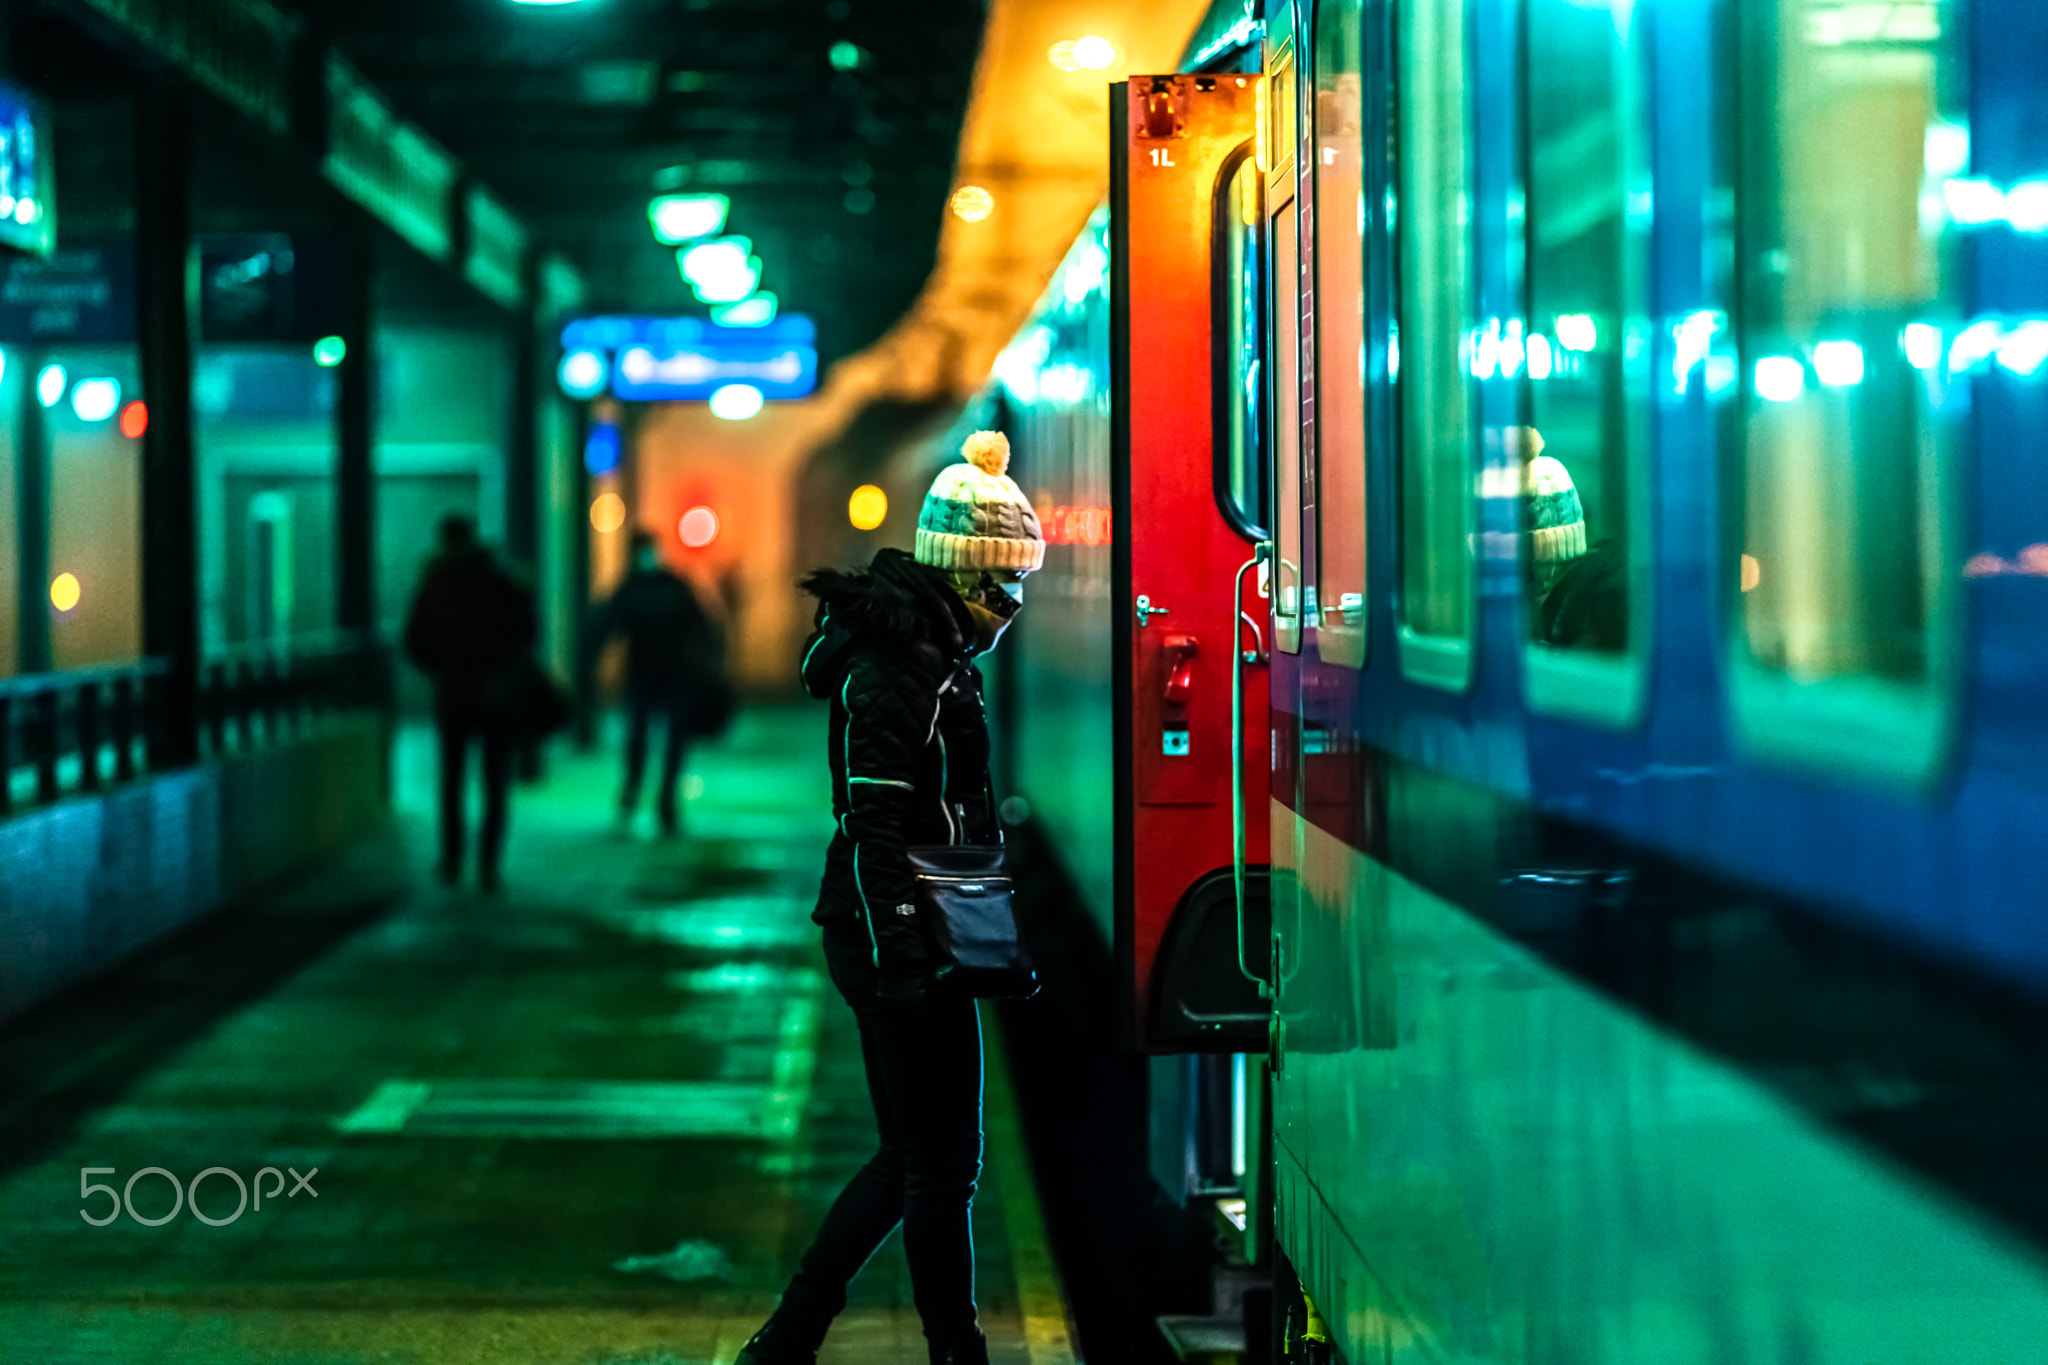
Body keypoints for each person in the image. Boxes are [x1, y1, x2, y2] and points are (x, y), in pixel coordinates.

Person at [740, 431, 1042, 1365]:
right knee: (939, 1166)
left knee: (913, 1158)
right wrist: (909, 956)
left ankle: (790, 1339)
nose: (1011, 608)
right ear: (961, 576)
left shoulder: (934, 657)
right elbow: (878, 832)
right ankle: (955, 1350)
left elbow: (950, 822)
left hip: (922, 934)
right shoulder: (895, 674)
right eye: (1001, 587)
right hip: (893, 939)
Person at [402, 514, 537, 892]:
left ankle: (453, 859)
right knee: (493, 783)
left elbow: (414, 642)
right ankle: (488, 864)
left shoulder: (436, 585)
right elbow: (526, 633)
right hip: (495, 696)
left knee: (454, 782)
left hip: (455, 695)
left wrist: (444, 668)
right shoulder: (499, 583)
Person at [588, 529, 718, 834]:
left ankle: (649, 799)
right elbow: (702, 628)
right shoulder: (668, 587)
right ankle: (656, 801)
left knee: (652, 741)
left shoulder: (637, 588)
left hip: (659, 678)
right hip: (660, 677)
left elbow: (606, 627)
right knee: (653, 742)